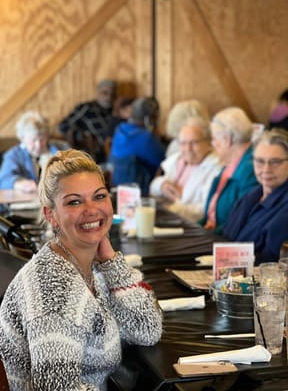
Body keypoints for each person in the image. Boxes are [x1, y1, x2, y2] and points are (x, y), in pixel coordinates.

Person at [0, 149, 162, 390]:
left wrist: (110, 260)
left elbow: (147, 330)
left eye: (99, 196)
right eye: (74, 202)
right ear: (51, 215)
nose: (92, 209)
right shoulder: (53, 288)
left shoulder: (90, 264)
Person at [223, 128, 288, 264]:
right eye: (260, 161)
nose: (266, 169)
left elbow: (273, 262)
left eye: (275, 162)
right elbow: (226, 239)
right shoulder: (251, 196)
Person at [150, 117, 221, 221]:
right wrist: (162, 185)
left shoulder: (216, 167)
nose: (188, 149)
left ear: (207, 143)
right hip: (165, 218)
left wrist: (175, 209)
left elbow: (207, 208)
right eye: (183, 143)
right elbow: (153, 186)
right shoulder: (176, 160)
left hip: (189, 225)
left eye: (194, 143)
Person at [200, 107, 259, 234]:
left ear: (227, 140)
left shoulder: (250, 168)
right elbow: (208, 218)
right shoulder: (230, 165)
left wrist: (204, 235)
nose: (213, 144)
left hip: (226, 243)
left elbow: (242, 220)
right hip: (212, 237)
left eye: (214, 138)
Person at [109, 96, 165, 195]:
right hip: (142, 192)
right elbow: (164, 162)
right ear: (148, 119)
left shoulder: (119, 129)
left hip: (118, 188)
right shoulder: (146, 138)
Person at [0, 111, 63, 192]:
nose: (38, 145)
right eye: (33, 140)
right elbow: (3, 180)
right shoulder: (13, 155)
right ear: (23, 138)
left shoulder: (61, 148)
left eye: (42, 139)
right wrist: (18, 183)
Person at [58, 79, 117, 163]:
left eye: (112, 94)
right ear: (98, 93)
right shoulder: (86, 108)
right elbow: (62, 126)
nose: (109, 97)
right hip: (91, 155)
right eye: (105, 93)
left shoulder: (115, 111)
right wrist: (83, 136)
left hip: (112, 154)